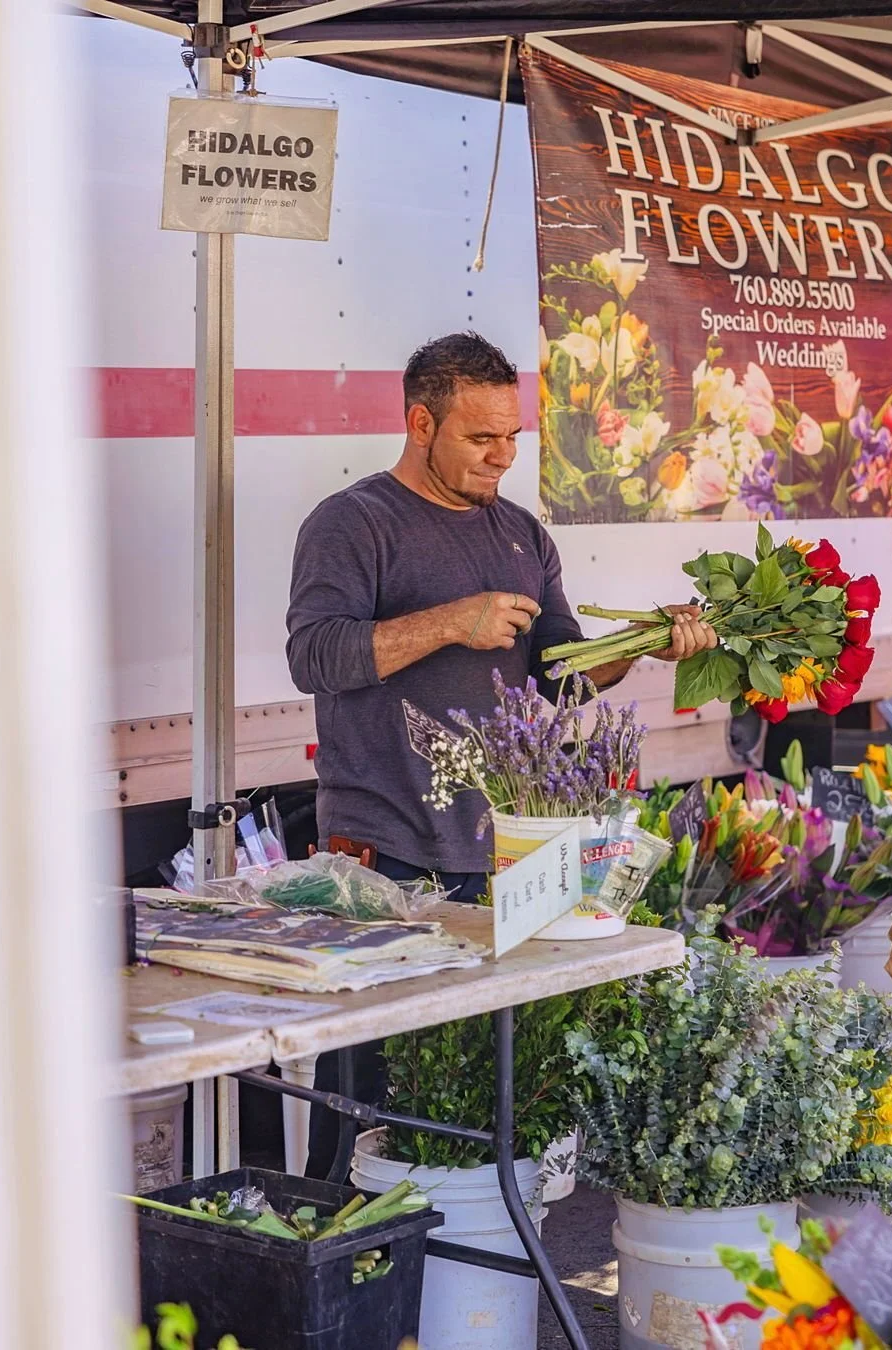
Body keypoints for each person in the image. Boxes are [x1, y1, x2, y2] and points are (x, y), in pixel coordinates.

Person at [285, 331, 715, 1173]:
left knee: (481, 1096)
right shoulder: (353, 523)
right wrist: (454, 621)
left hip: (510, 857)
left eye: (512, 437)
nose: (503, 457)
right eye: (483, 439)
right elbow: (315, 657)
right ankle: (337, 1271)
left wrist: (642, 644)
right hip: (387, 859)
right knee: (369, 1098)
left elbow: (559, 678)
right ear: (420, 423)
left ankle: (460, 1264)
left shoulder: (521, 532)